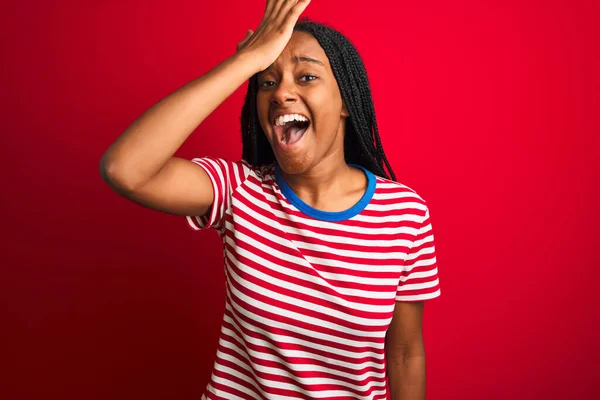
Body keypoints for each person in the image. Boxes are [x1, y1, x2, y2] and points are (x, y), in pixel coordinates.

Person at [100, 0, 441, 399]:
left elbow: (404, 353)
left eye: (307, 77)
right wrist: (247, 61)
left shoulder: (404, 214)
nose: (282, 93)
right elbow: (125, 169)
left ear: (347, 100)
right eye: (267, 81)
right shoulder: (239, 190)